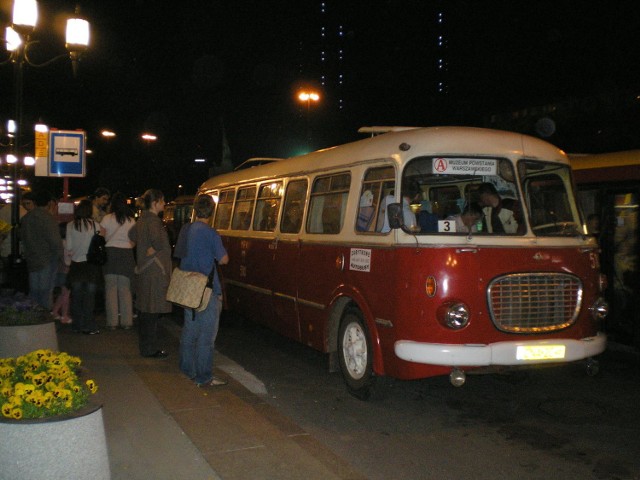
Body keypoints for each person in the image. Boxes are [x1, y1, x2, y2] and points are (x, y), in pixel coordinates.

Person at [174, 194, 229, 387]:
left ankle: (186, 370)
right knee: (206, 336)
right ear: (212, 212)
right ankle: (204, 377)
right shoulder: (211, 233)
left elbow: (179, 255)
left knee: (190, 330)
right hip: (206, 290)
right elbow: (224, 259)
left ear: (195, 210)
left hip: (188, 287)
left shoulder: (185, 230)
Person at [128, 189, 172, 358]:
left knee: (145, 312)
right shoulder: (154, 221)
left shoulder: (141, 220)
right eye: (162, 201)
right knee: (152, 312)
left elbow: (131, 236)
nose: (164, 204)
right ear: (155, 203)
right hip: (155, 271)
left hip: (144, 270)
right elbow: (159, 242)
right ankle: (150, 349)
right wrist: (154, 249)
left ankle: (146, 347)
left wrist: (145, 249)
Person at [20, 190, 63, 309]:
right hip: (47, 259)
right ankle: (45, 317)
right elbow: (55, 241)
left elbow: (22, 238)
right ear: (49, 203)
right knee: (46, 290)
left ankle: (34, 315)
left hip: (32, 259)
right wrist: (61, 258)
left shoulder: (26, 218)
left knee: (34, 290)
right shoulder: (47, 218)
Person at [65, 199, 102, 335]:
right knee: (89, 298)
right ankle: (89, 325)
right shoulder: (95, 225)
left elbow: (68, 247)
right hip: (91, 266)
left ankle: (77, 325)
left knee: (76, 296)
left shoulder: (70, 225)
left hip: (77, 265)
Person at [100, 192, 136, 330]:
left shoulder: (107, 218)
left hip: (110, 254)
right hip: (126, 254)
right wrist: (127, 245)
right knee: (125, 289)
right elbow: (134, 240)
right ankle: (127, 322)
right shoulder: (131, 220)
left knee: (110, 289)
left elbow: (101, 237)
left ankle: (112, 322)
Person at [51, 222, 72, 324]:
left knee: (62, 294)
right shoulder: (67, 243)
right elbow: (67, 260)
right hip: (66, 270)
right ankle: (65, 316)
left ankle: (55, 312)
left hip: (57, 271)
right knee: (66, 294)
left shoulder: (58, 243)